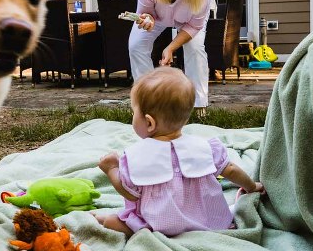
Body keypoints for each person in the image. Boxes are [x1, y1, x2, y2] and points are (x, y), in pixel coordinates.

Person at [95, 67, 264, 238]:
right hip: (207, 223)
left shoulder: (137, 157)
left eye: (134, 112)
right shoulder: (204, 148)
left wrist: (111, 169)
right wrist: (251, 186)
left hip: (158, 226)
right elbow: (231, 170)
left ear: (149, 123)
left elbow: (128, 193)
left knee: (116, 221)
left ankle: (128, 227)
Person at [128, 0, 212, 112]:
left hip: (189, 22)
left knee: (195, 48)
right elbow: (145, 12)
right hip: (158, 17)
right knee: (135, 45)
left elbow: (194, 26)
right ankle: (148, 102)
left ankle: (198, 105)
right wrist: (147, 20)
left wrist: (170, 48)